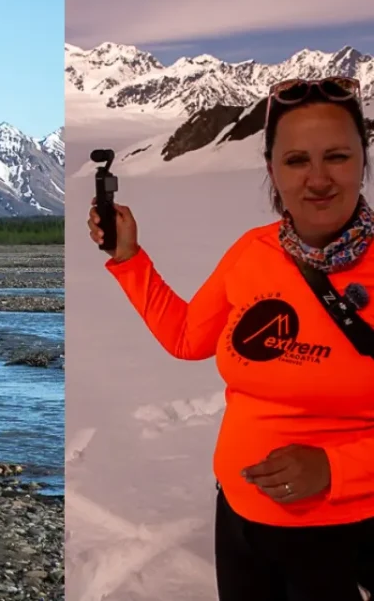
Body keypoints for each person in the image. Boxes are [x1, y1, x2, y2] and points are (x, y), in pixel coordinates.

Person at [88, 76, 374, 600]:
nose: (318, 179)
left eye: (336, 156)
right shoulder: (253, 252)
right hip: (240, 518)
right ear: (271, 169)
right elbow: (186, 337)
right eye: (295, 161)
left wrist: (337, 469)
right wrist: (129, 260)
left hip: (345, 531)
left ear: (363, 158)